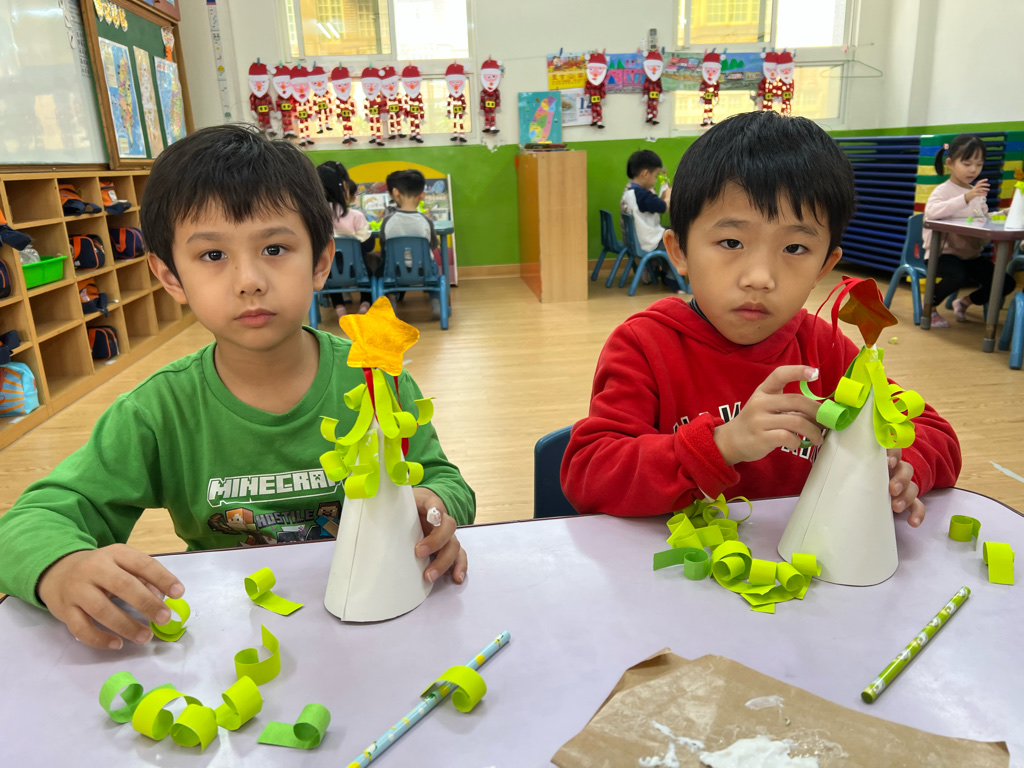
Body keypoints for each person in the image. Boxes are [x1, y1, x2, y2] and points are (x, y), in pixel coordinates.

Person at [0, 125, 474, 650]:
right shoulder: (158, 411)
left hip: (381, 626)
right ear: (171, 277)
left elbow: (444, 479)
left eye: (275, 248)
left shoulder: (376, 378)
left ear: (320, 262)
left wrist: (432, 506)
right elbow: (33, 520)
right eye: (212, 256)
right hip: (229, 640)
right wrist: (61, 566)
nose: (249, 280)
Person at [562, 111, 960, 528]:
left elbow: (936, 433)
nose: (760, 278)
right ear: (680, 251)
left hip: (801, 563)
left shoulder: (824, 349)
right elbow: (589, 473)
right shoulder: (644, 346)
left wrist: (902, 467)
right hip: (675, 562)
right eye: (731, 242)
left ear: (824, 267)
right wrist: (722, 445)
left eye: (795, 249)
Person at [923, 134, 1015, 327]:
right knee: (958, 275)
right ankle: (929, 307)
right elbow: (931, 213)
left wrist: (1004, 213)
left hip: (970, 256)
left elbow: (982, 218)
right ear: (950, 163)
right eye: (967, 164)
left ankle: (965, 302)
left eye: (979, 164)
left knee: (1005, 282)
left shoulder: (977, 193)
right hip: (942, 255)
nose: (973, 169)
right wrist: (966, 197)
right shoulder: (943, 191)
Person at [378, 169, 442, 318]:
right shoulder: (426, 221)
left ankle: (391, 298)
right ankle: (435, 300)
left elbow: (384, 245)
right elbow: (433, 244)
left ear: (395, 193)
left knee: (387, 263)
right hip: (424, 271)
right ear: (422, 195)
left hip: (395, 272)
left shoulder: (387, 221)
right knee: (433, 265)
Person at [317, 160, 375, 315]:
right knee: (370, 268)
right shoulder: (355, 215)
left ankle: (339, 306)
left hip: (327, 274)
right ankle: (365, 303)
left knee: (329, 266)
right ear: (343, 186)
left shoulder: (316, 218)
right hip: (357, 272)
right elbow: (368, 245)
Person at [621, 149, 676, 289]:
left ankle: (666, 272)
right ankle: (672, 278)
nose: (656, 179)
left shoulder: (632, 191)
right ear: (645, 174)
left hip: (640, 239)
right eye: (656, 175)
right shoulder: (642, 194)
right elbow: (664, 207)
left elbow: (655, 204)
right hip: (649, 240)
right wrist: (668, 195)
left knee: (671, 232)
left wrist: (662, 198)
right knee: (675, 241)